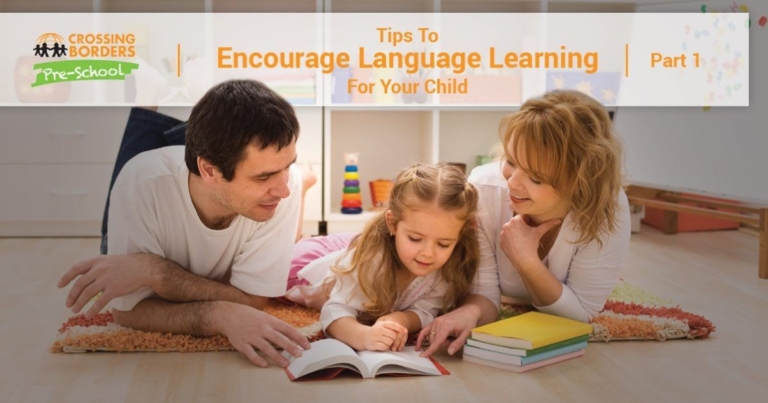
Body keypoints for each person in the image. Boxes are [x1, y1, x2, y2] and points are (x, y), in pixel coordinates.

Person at [57, 79, 312, 368]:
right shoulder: (142, 186)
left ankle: (192, 119)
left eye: (288, 165)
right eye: (263, 177)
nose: (285, 189)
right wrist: (220, 314)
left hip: (194, 181)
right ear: (209, 170)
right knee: (137, 164)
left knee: (207, 140)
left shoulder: (282, 189)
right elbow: (128, 312)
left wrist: (155, 272)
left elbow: (252, 301)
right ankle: (148, 98)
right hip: (152, 190)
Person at [417, 90, 631, 357]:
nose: (513, 183)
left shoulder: (607, 206)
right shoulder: (484, 190)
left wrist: (526, 260)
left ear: (580, 182)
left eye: (536, 179)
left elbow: (581, 316)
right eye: (511, 162)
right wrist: (467, 313)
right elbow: (485, 291)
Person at [287, 164, 480, 352]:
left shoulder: (446, 265)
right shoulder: (370, 261)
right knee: (287, 254)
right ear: (392, 223)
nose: (428, 253)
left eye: (443, 244)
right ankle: (301, 185)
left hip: (367, 244)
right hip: (307, 265)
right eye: (415, 238)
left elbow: (427, 310)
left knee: (359, 243)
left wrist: (402, 319)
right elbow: (334, 311)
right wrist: (364, 336)